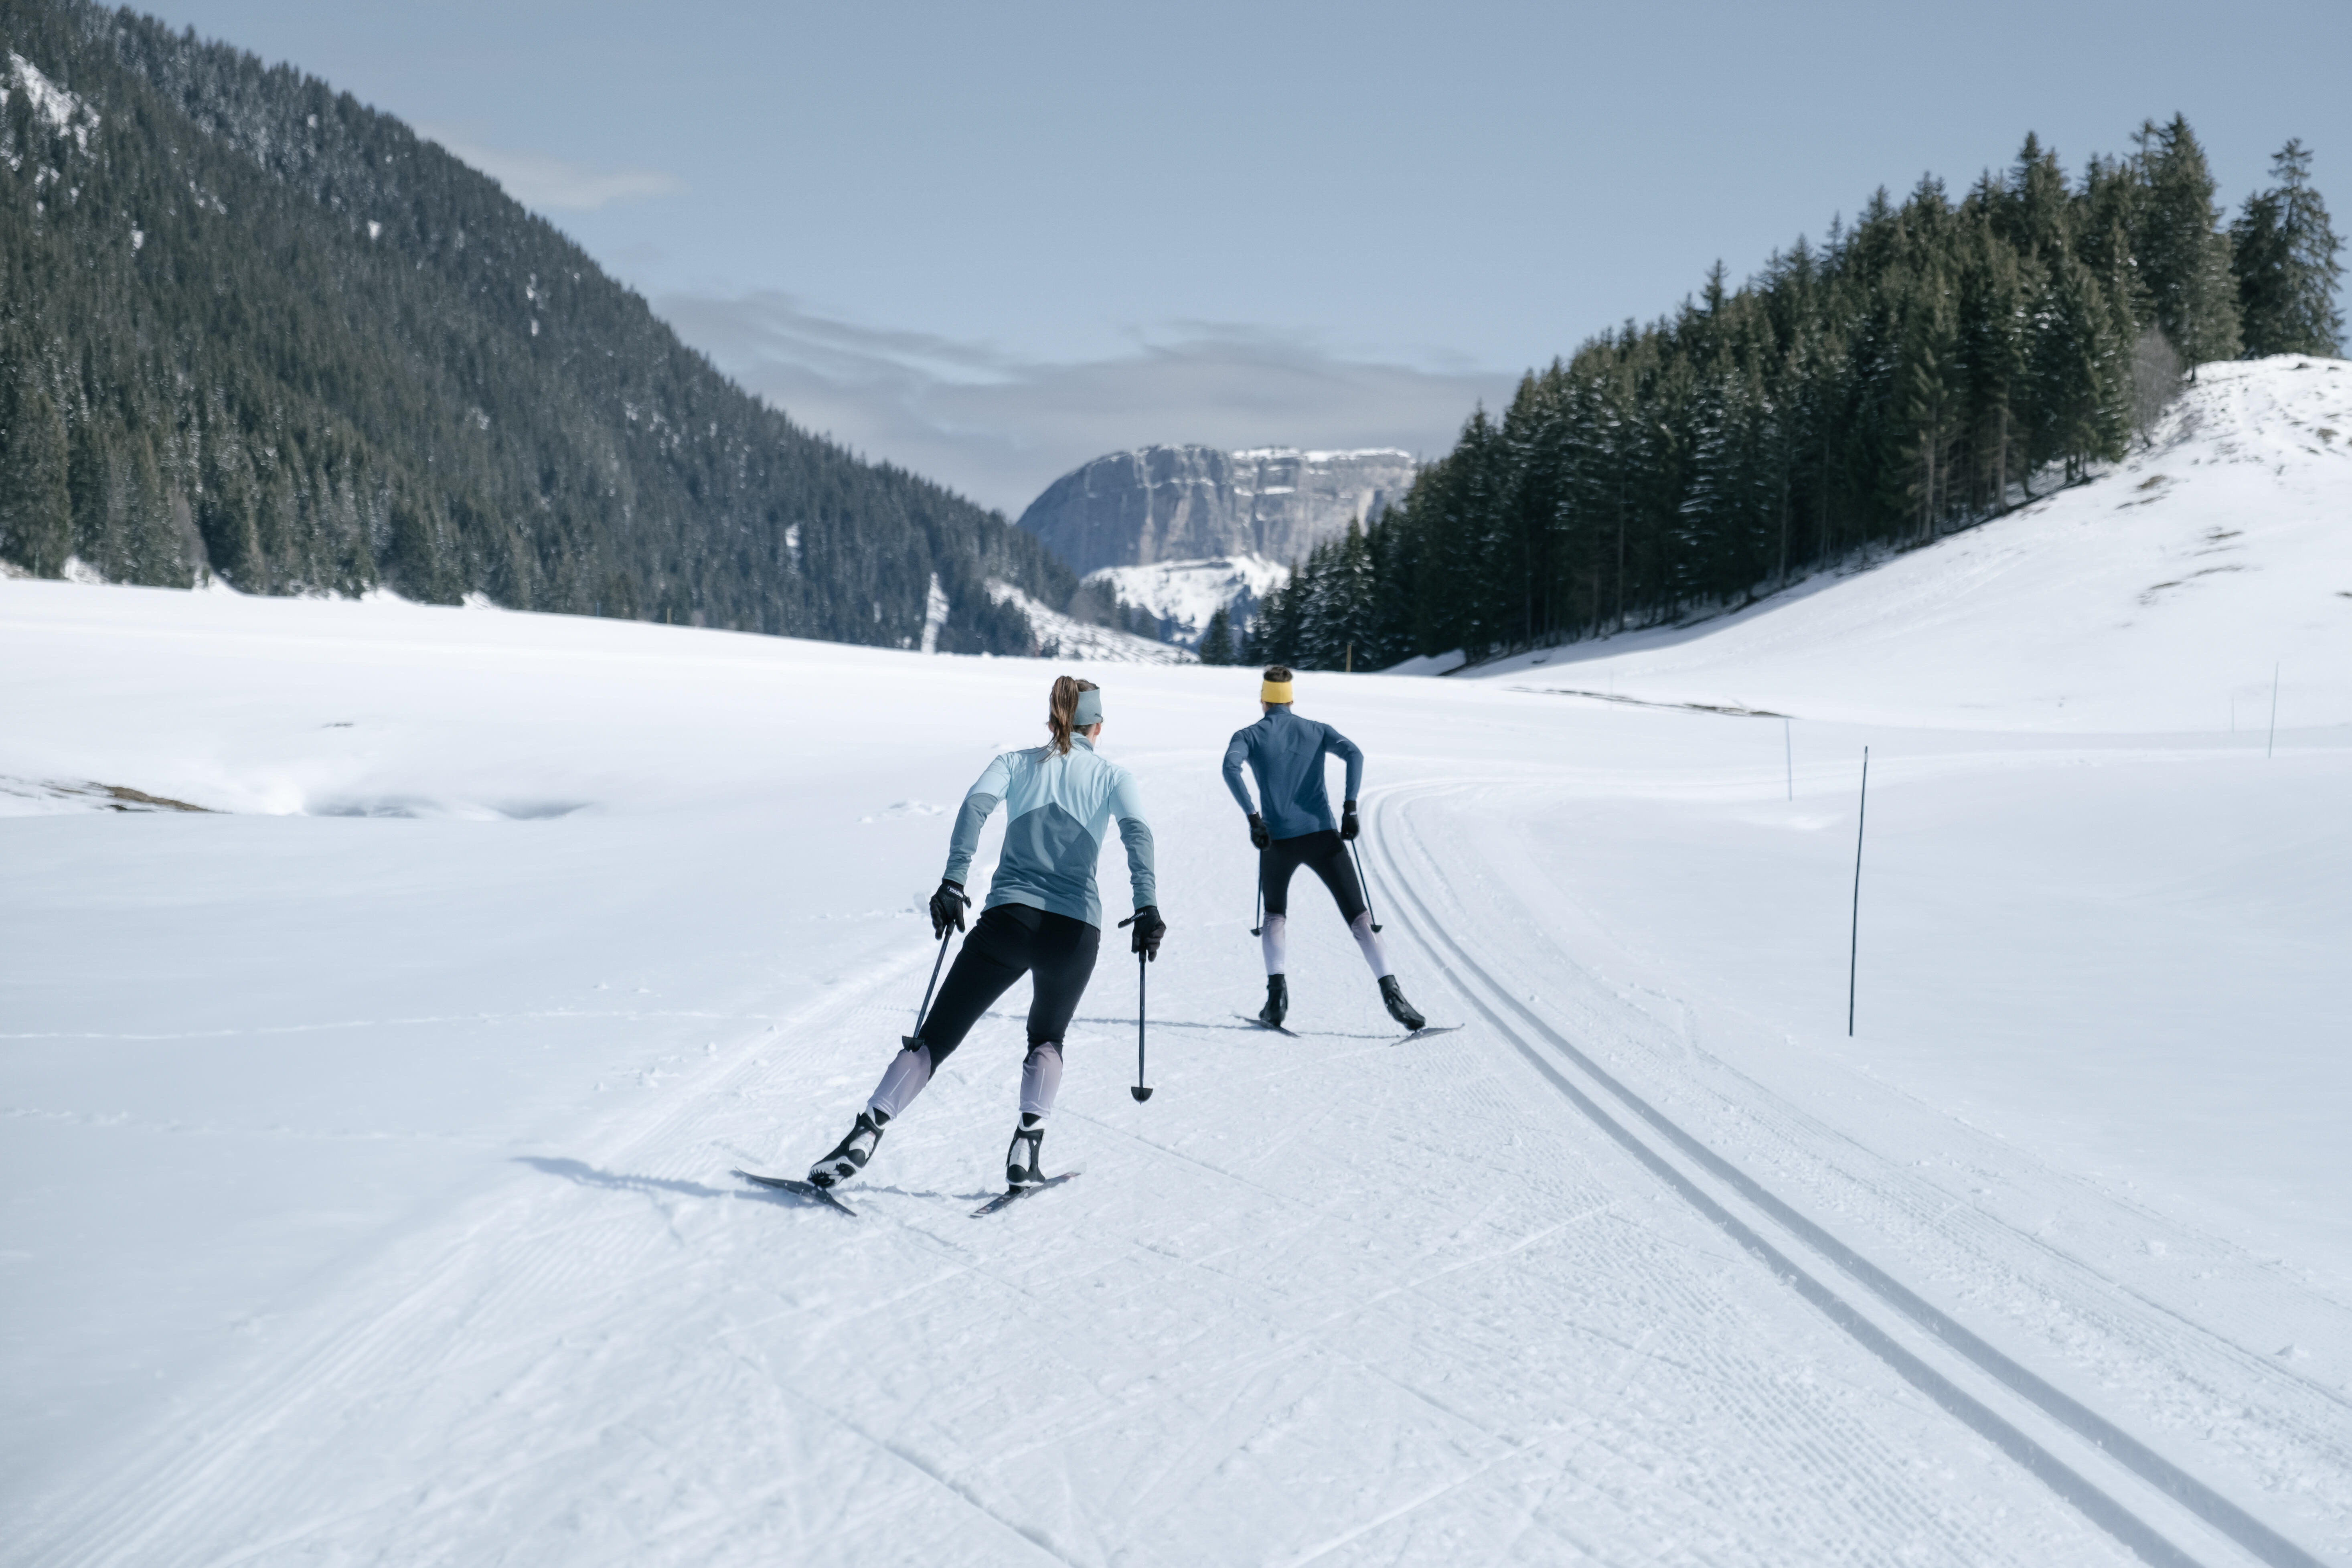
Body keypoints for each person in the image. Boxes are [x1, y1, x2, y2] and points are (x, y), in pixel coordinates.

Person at [806, 676, 1165, 1193]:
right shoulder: (1113, 776)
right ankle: (1026, 1150)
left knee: (935, 1037)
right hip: (1075, 930)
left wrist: (954, 879)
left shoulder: (1016, 763)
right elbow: (1138, 833)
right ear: (1098, 727)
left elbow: (976, 805)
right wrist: (1146, 905)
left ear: (1052, 721)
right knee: (1047, 1037)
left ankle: (866, 1133)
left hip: (1008, 921)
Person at [1221, 664, 1424, 1031]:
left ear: (1264, 700)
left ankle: (1276, 999)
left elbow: (1229, 768)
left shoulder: (1249, 735)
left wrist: (1254, 818)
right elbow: (1355, 755)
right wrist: (1350, 806)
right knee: (1360, 918)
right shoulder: (1317, 731)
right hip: (1323, 836)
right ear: (1291, 699)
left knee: (1274, 917)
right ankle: (1394, 996)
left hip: (1277, 841)